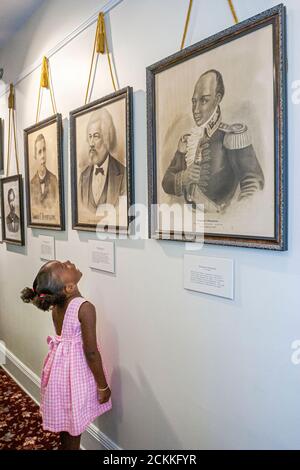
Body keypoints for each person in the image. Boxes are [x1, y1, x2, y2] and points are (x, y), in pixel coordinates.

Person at [21, 260, 112, 450]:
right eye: (64, 267)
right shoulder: (85, 307)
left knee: (67, 423)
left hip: (60, 372)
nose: (69, 262)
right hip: (75, 375)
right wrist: (102, 386)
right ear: (69, 287)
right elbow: (91, 352)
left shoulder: (57, 306)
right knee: (73, 429)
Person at [162, 69, 265, 212]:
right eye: (194, 102)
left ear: (217, 99)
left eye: (204, 100)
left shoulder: (231, 135)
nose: (196, 110)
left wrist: (233, 217)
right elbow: (166, 182)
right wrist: (184, 177)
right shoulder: (188, 139)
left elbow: (253, 184)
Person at [79, 108, 126, 213]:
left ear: (106, 139)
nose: (91, 143)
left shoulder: (123, 174)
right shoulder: (83, 177)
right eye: (90, 137)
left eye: (96, 136)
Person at [30, 134, 58, 209]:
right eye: (39, 152)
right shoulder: (31, 184)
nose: (43, 156)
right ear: (35, 156)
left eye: (44, 150)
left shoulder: (54, 180)